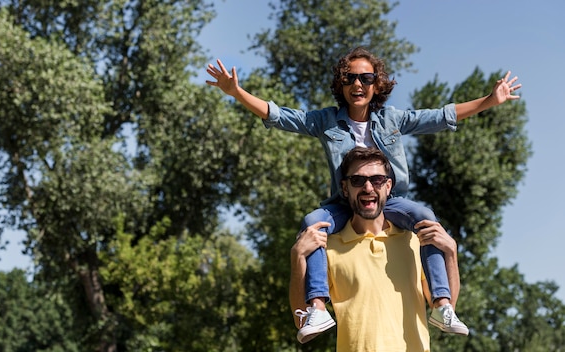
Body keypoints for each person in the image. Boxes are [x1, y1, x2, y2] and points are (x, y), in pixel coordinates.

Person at [206, 46, 521, 342]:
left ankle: (441, 304)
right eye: (350, 78)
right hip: (344, 201)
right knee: (313, 221)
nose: (358, 84)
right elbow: (280, 116)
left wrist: (489, 101)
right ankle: (317, 308)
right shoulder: (326, 121)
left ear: (376, 84)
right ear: (341, 84)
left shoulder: (392, 120)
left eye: (366, 78)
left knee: (426, 218)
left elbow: (441, 116)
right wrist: (236, 92)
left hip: (391, 199)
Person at [290, 147, 461, 351]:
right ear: (345, 188)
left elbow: (443, 307)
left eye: (377, 180)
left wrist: (451, 252)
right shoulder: (328, 247)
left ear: (388, 186)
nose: (368, 187)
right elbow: (302, 321)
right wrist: (298, 257)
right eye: (358, 180)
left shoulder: (416, 241)